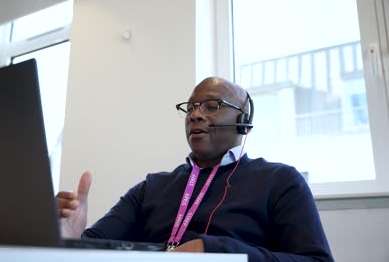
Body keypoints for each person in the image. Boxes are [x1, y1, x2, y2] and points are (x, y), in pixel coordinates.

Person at [57, 77, 334, 261]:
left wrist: (215, 251)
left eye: (212, 106)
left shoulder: (281, 181)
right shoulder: (152, 187)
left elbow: (316, 260)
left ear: (244, 123)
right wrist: (69, 240)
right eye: (190, 108)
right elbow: (92, 248)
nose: (196, 114)